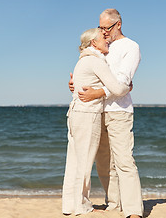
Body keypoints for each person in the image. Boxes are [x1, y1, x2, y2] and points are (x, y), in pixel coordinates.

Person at [69, 9, 143, 218]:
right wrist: (76, 86)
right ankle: (114, 203)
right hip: (94, 112)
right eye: (100, 27)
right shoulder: (102, 46)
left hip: (118, 111)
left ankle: (133, 210)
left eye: (106, 28)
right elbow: (92, 74)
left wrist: (98, 93)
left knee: (124, 161)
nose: (103, 32)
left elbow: (122, 81)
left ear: (118, 24)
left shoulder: (131, 47)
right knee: (103, 162)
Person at [62, 28, 131, 216]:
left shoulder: (83, 60)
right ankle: (80, 205)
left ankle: (70, 204)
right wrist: (128, 86)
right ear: (94, 42)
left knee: (75, 161)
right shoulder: (94, 61)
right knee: (84, 162)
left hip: (76, 114)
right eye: (103, 37)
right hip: (87, 115)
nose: (106, 39)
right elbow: (117, 88)